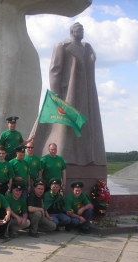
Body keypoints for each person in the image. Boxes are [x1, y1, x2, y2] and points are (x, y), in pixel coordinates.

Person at [33, 22, 106, 166]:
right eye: (79, 29)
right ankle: (63, 157)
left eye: (83, 29)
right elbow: (55, 69)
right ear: (72, 31)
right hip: (68, 92)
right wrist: (55, 93)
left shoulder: (86, 48)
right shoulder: (62, 46)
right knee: (65, 127)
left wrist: (92, 56)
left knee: (83, 125)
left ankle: (84, 157)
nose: (82, 31)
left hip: (85, 93)